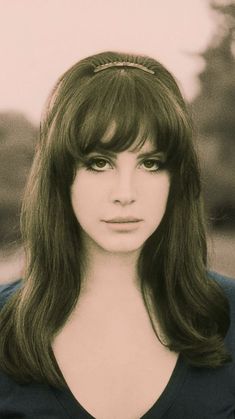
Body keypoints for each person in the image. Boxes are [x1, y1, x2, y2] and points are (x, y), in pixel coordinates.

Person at [0, 50, 234, 419]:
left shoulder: (231, 314)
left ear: (177, 178)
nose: (125, 192)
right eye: (99, 162)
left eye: (151, 163)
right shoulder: (4, 323)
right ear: (61, 175)